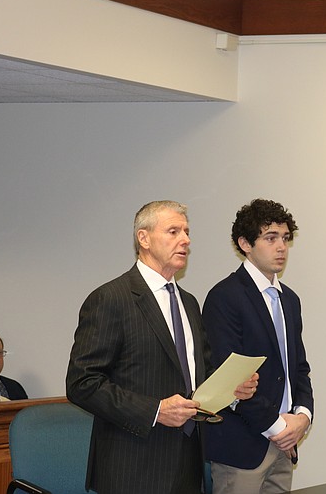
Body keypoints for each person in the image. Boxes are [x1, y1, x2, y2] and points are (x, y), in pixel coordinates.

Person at [66, 200, 258, 494]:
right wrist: (154, 410)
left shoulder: (190, 303)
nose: (185, 240)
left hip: (189, 462)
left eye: (186, 231)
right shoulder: (111, 299)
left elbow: (199, 377)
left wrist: (232, 392)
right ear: (144, 238)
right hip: (133, 468)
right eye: (173, 231)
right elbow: (82, 383)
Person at [201, 198, 314, 494]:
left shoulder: (289, 299)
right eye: (271, 238)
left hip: (283, 445)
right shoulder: (224, 297)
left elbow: (298, 367)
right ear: (245, 243)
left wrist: (302, 416)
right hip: (242, 445)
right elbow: (228, 377)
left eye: (286, 238)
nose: (281, 247)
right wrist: (279, 429)